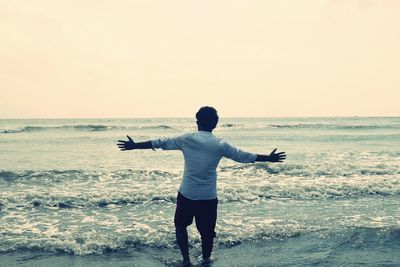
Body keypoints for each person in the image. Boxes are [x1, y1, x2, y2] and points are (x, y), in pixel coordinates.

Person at [117, 106, 286, 267]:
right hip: (208, 196)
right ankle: (205, 260)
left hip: (187, 193)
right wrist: (268, 158)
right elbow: (243, 156)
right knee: (207, 233)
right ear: (215, 123)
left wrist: (134, 146)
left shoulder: (186, 139)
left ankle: (186, 260)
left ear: (197, 122)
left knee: (181, 226)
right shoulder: (220, 144)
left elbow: (160, 142)